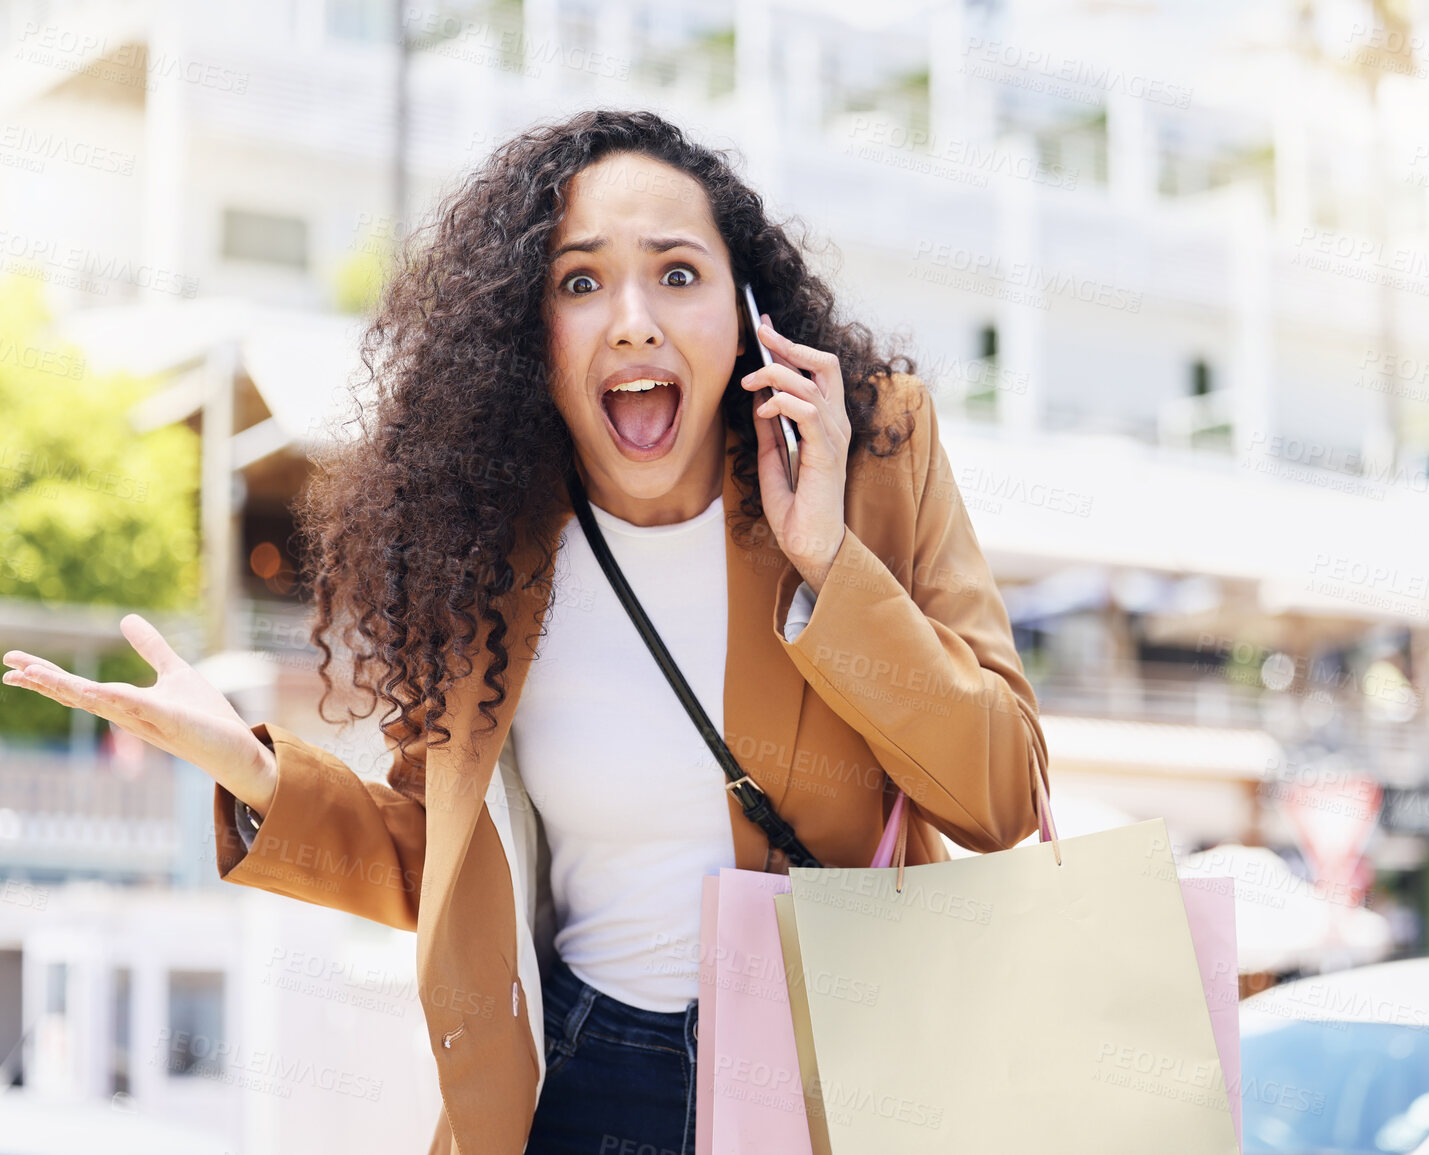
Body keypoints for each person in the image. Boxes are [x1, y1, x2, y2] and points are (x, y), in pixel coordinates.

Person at [1, 108, 1050, 1155]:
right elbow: (443, 861)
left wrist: (830, 561)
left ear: (748, 313)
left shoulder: (873, 456)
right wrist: (255, 771)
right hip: (590, 1082)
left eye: (678, 273)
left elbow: (1005, 797)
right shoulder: (487, 538)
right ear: (527, 330)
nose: (632, 320)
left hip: (838, 1079)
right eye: (580, 281)